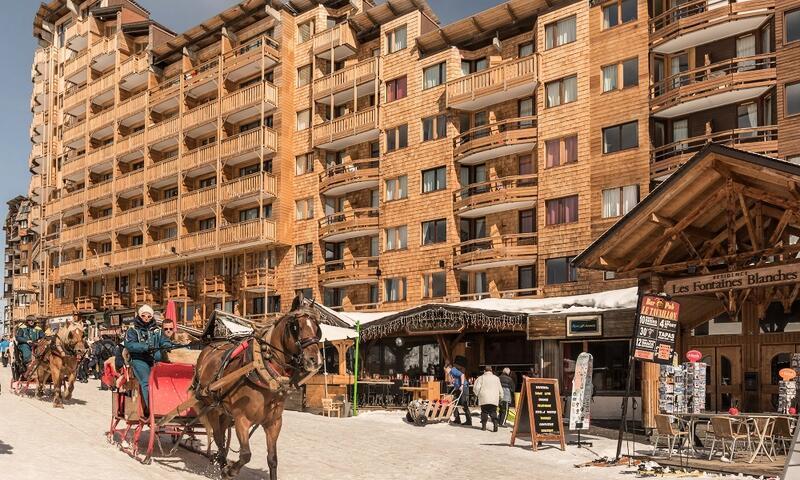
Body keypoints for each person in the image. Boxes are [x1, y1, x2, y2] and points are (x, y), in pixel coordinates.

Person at [124, 305, 181, 413]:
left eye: (149, 316)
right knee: (146, 381)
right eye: (144, 315)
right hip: (139, 359)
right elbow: (130, 345)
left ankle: (168, 405)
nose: (146, 318)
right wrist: (145, 347)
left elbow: (164, 340)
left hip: (155, 360)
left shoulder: (157, 330)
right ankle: (153, 409)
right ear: (139, 316)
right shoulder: (132, 330)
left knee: (164, 381)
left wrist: (166, 345)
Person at [473, 365, 502, 432]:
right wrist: (501, 396)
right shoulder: (496, 378)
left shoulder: (481, 378)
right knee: (493, 412)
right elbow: (500, 389)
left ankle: (484, 427)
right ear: (491, 370)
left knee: (484, 412)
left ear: (484, 371)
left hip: (484, 398)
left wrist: (477, 394)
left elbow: (476, 388)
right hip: (494, 399)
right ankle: (495, 425)